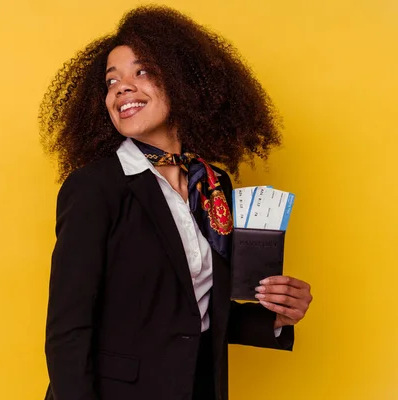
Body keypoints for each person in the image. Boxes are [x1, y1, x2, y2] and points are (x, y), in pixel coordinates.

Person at [39, 5, 313, 400]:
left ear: (183, 82)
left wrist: (277, 317)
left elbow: (193, 312)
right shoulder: (93, 188)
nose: (122, 87)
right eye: (111, 80)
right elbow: (68, 330)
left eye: (142, 71)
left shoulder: (212, 183)